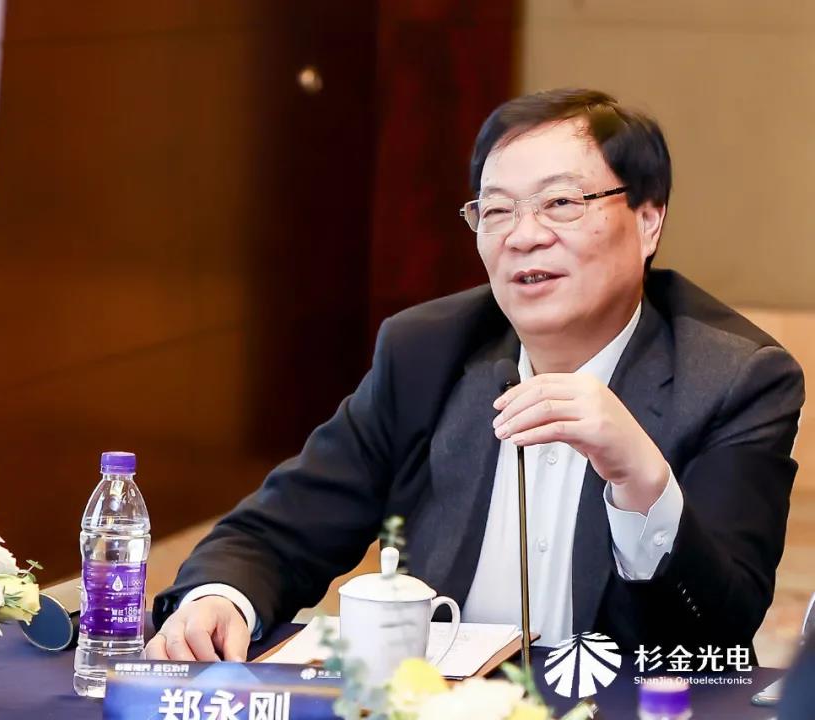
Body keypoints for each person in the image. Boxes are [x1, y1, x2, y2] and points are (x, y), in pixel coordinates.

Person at [145, 88, 805, 662]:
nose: (524, 235)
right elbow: (281, 530)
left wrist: (641, 480)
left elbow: (714, 636)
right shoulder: (427, 351)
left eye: (561, 203)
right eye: (495, 210)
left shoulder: (733, 379)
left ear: (648, 220)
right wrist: (220, 598)